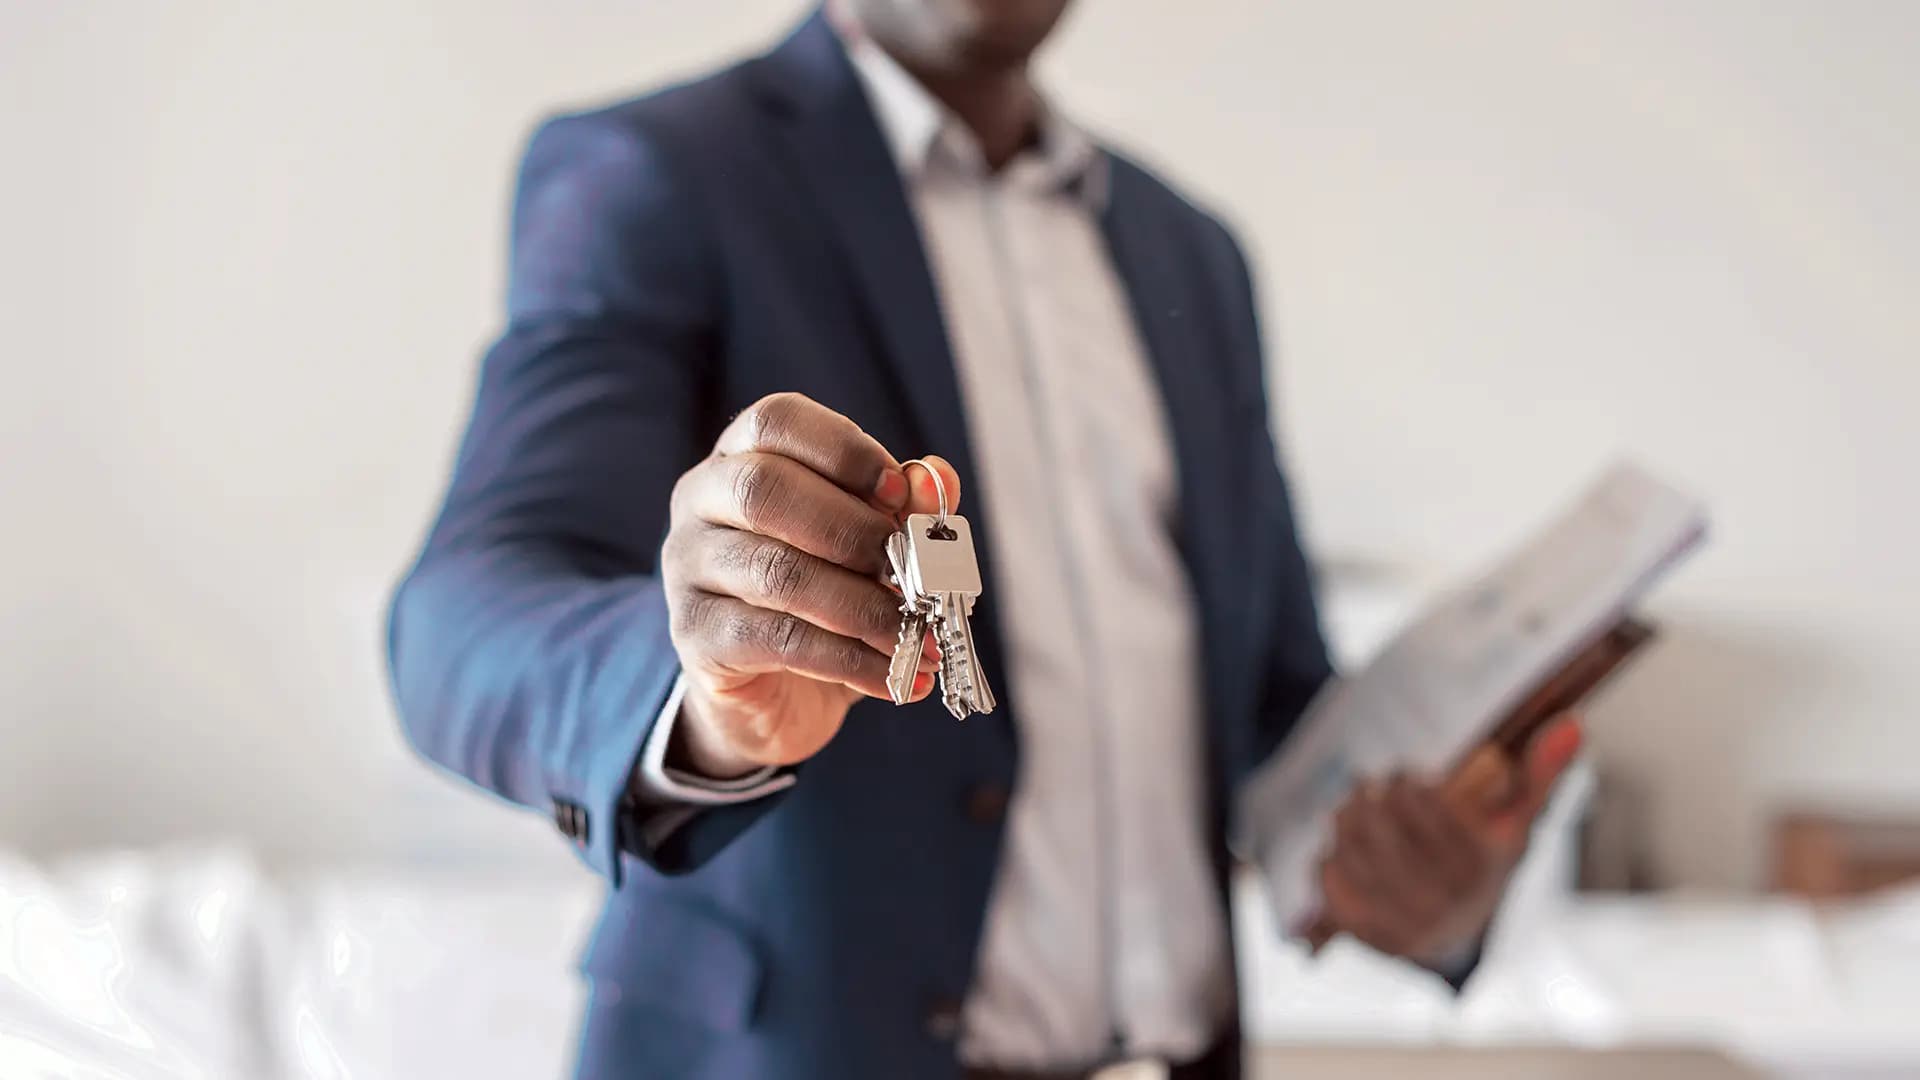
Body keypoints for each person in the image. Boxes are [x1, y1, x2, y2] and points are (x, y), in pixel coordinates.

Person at [386, 2, 1581, 1077]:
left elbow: (1269, 710)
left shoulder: (1191, 256)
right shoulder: (661, 175)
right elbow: (457, 620)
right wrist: (698, 691)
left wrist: (1431, 884)